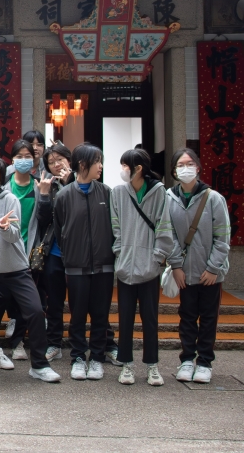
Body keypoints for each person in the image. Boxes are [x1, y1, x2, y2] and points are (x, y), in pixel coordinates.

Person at [0, 155, 60, 383]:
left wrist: (5, 228)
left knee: (35, 311)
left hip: (16, 268)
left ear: (0, 179)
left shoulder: (10, 200)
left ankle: (40, 365)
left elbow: (14, 236)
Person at [111, 148, 174, 386]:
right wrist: (120, 253)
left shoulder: (159, 192)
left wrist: (158, 258)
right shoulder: (118, 192)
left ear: (138, 169)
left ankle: (152, 366)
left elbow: (164, 225)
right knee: (125, 319)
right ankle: (126, 364)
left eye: (125, 165)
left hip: (149, 269)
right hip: (125, 268)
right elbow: (115, 226)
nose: (122, 170)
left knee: (150, 319)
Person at [167, 148, 230, 384]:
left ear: (198, 167)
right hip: (184, 271)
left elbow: (222, 238)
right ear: (174, 171)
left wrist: (213, 268)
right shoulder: (168, 198)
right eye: (180, 165)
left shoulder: (213, 198)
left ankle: (204, 362)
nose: (186, 168)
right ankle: (186, 360)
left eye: (190, 163)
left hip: (209, 273)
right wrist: (176, 266)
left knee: (209, 318)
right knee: (187, 316)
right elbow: (168, 235)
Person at [54, 143, 115, 381]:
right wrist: (70, 255)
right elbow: (60, 230)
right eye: (97, 161)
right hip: (76, 266)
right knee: (77, 315)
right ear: (82, 164)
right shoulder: (64, 195)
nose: (100, 166)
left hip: (104, 266)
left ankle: (97, 358)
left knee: (100, 315)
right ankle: (78, 357)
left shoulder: (107, 193)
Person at [0, 140, 52, 362]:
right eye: (19, 156)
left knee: (25, 302)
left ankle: (18, 343)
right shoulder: (3, 185)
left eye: (28, 156)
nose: (23, 160)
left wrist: (43, 196)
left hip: (29, 249)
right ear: (12, 159)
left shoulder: (38, 185)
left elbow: (44, 220)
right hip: (4, 249)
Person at [38, 142, 74, 362]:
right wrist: (43, 195)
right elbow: (43, 220)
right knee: (54, 301)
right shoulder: (48, 186)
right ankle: (54, 343)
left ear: (69, 160)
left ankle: (101, 342)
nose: (56, 164)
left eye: (60, 159)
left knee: (84, 300)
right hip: (54, 251)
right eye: (51, 162)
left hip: (79, 252)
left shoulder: (83, 182)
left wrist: (70, 185)